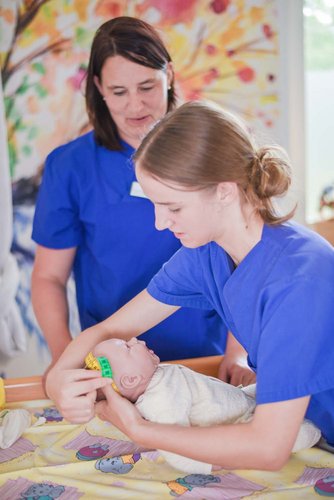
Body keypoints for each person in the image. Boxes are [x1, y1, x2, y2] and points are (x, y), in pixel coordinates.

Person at [46, 100, 334, 471]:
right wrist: (56, 381)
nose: (160, 223)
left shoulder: (299, 280)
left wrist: (139, 428)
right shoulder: (207, 254)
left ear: (225, 191)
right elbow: (111, 328)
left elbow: (268, 448)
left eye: (173, 207)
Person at [31, 17, 252, 383]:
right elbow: (49, 277)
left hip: (208, 361)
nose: (136, 105)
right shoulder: (71, 166)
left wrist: (238, 351)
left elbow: (244, 258)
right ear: (99, 88)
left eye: (147, 86)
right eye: (119, 92)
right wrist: (63, 359)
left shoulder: (210, 149)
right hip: (115, 367)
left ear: (169, 73)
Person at [88, 337, 321, 474]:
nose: (138, 340)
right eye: (128, 347)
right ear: (131, 380)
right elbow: (175, 449)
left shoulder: (157, 374)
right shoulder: (159, 400)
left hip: (239, 398)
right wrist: (218, 463)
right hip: (237, 422)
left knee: (278, 383)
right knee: (302, 432)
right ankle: (316, 430)